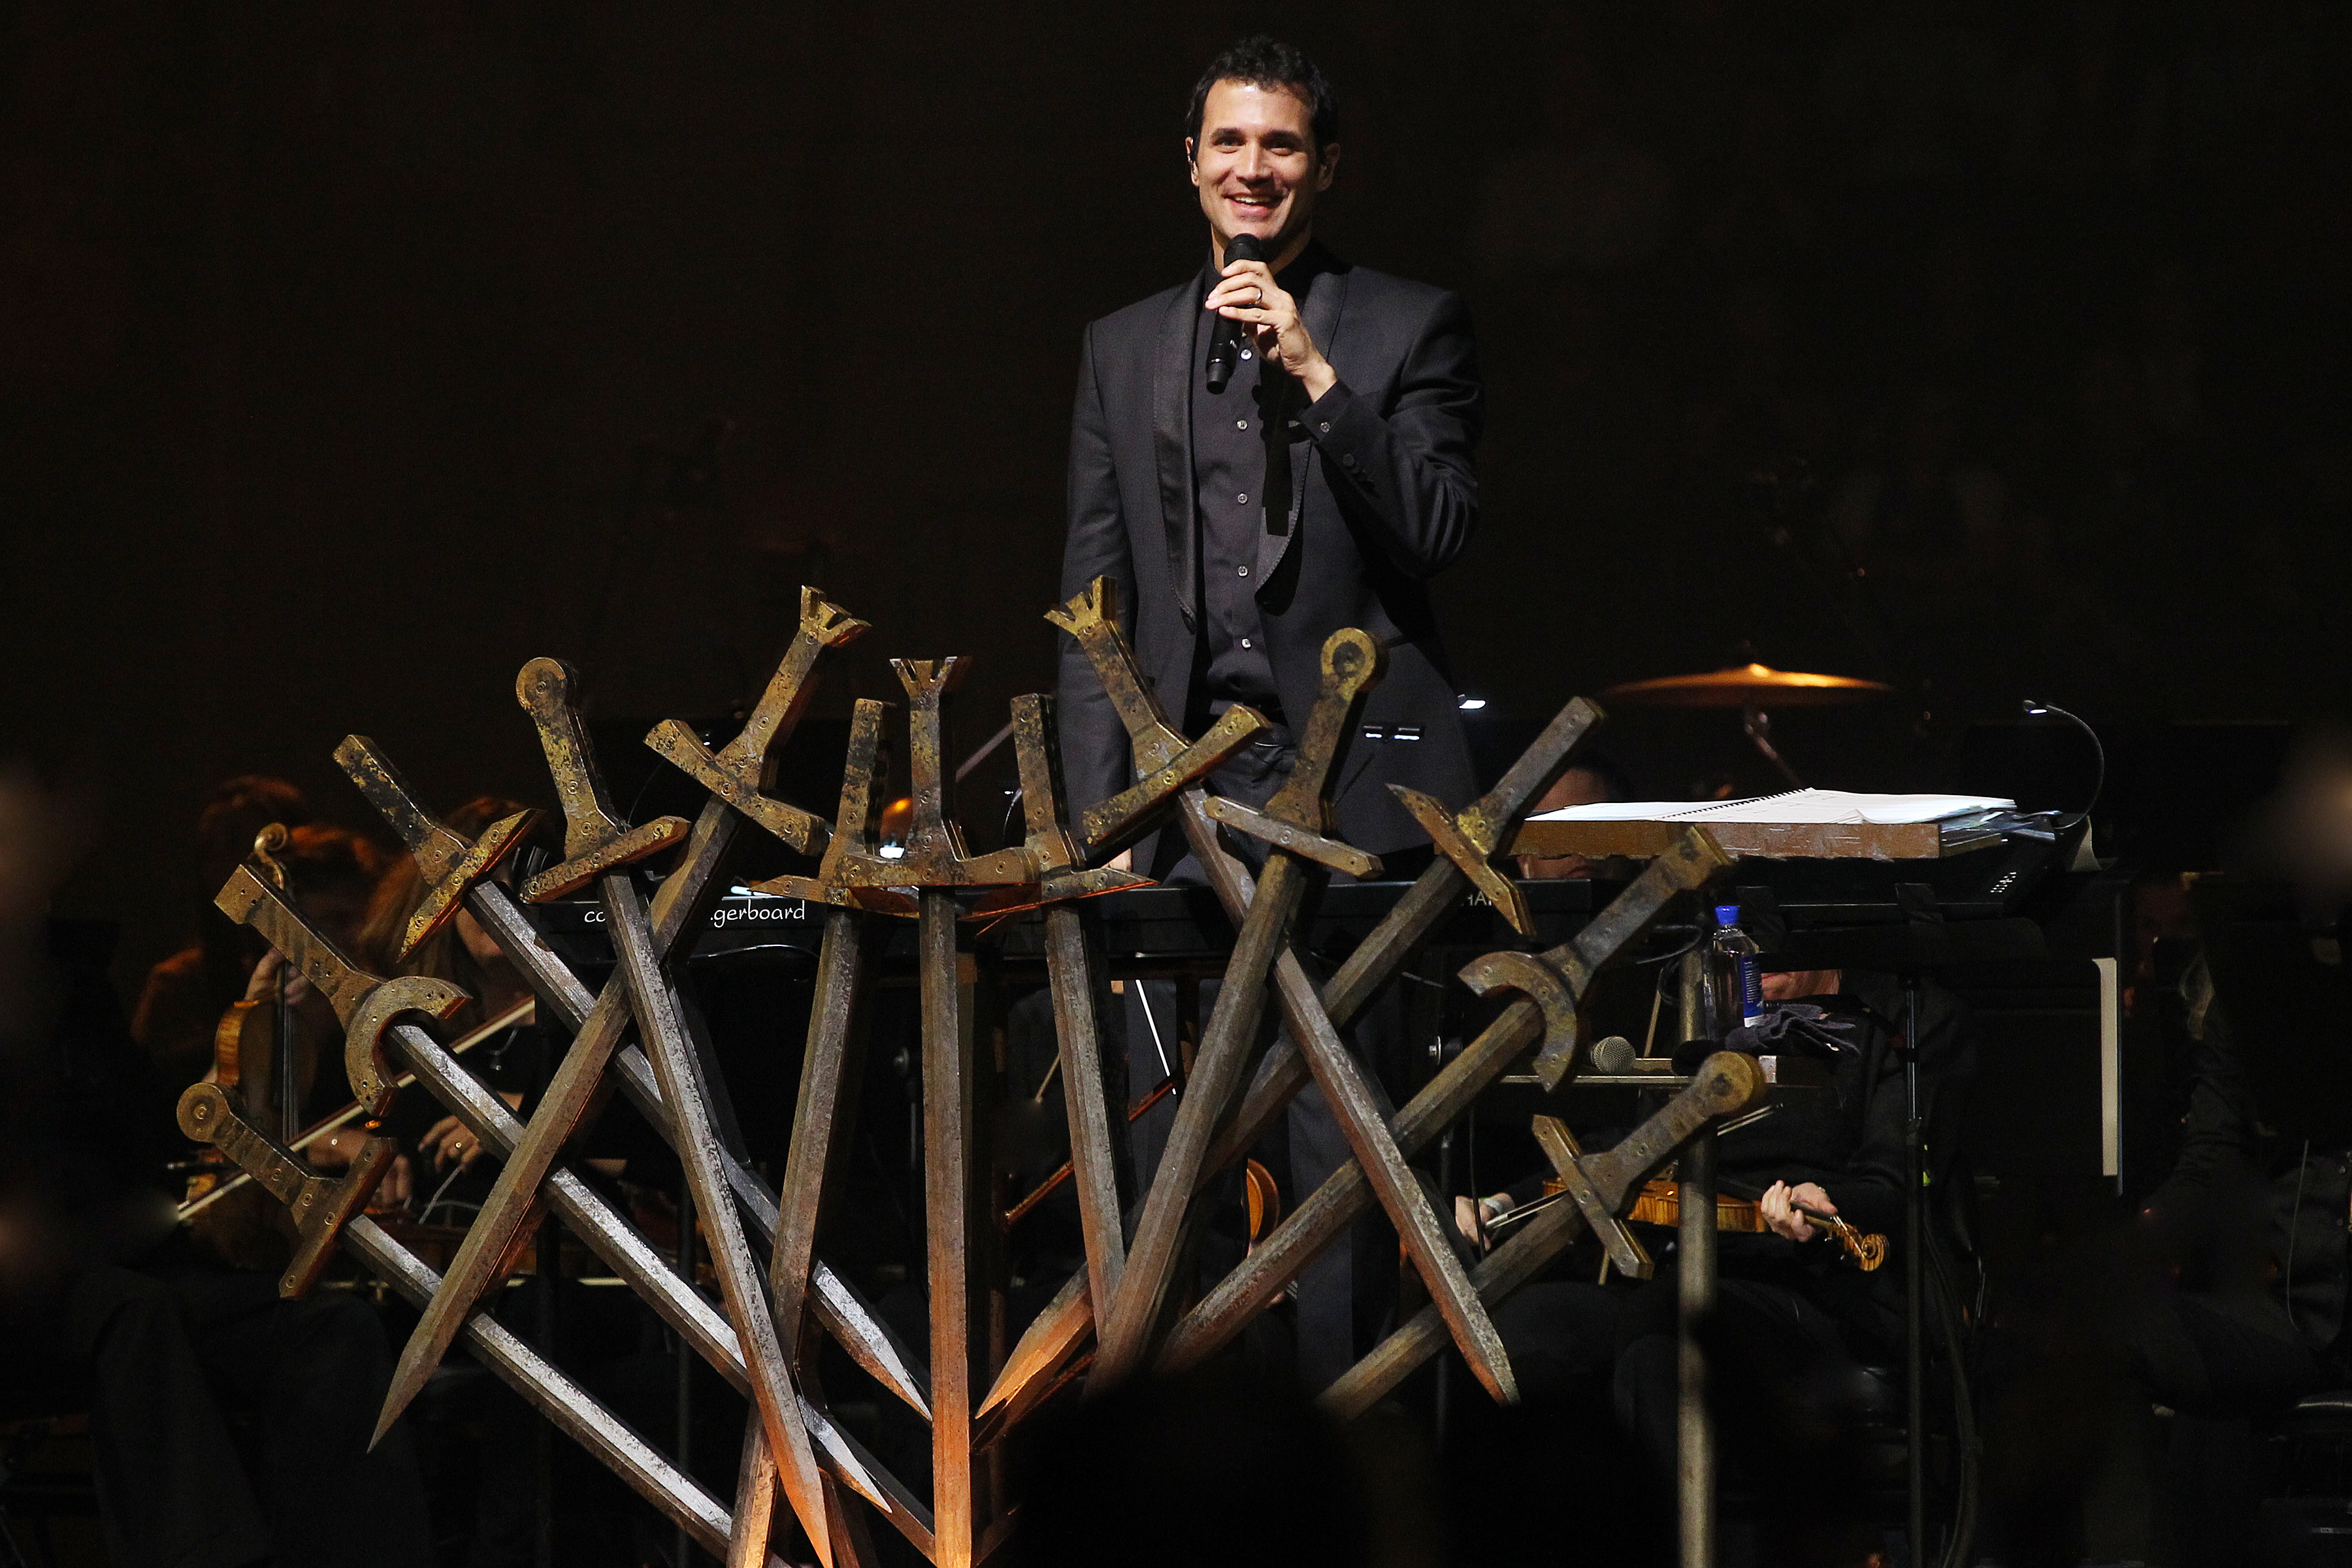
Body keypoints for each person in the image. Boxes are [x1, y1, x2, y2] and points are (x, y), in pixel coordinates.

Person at [1053, 35, 1482, 1391]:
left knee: (1337, 1160)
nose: (1254, 169)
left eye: (1281, 145)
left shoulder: (1406, 325)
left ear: (1326, 168)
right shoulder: (1121, 348)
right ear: (1192, 166)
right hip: (1178, 815)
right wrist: (1097, 822)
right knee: (1158, 1158)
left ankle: (1345, 1478)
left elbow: (1437, 529)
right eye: (1230, 145)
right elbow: (1091, 598)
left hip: (1350, 805)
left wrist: (1314, 374)